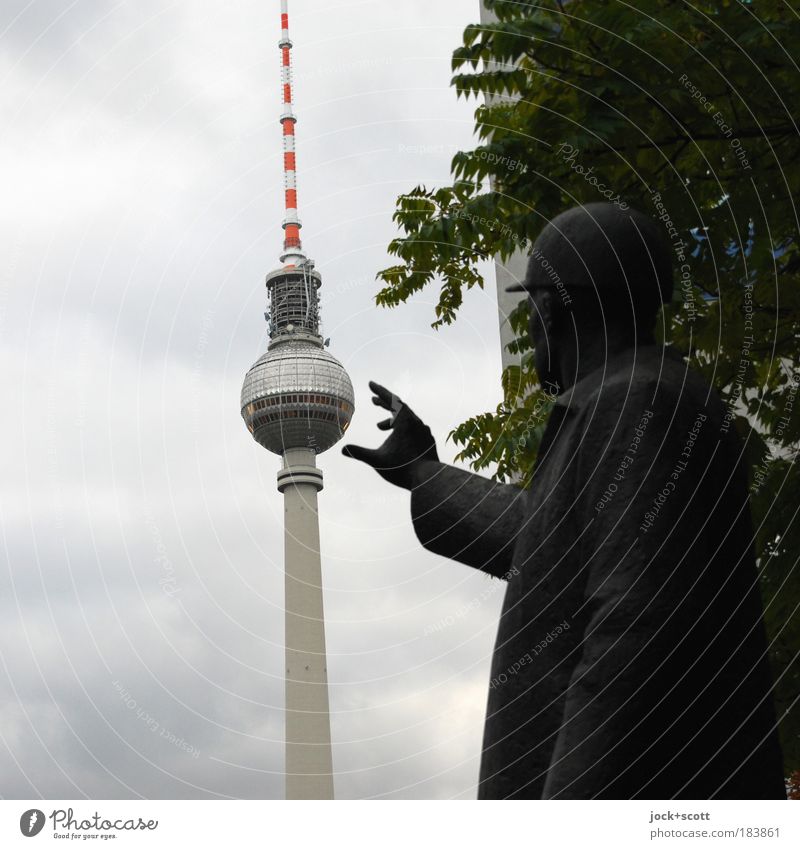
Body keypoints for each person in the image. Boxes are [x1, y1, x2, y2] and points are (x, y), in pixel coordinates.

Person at [343, 202, 784, 799]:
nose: (528, 329)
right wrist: (426, 473)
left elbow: (634, 624)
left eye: (531, 307)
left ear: (555, 309)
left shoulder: (637, 402)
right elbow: (553, 541)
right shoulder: (629, 400)